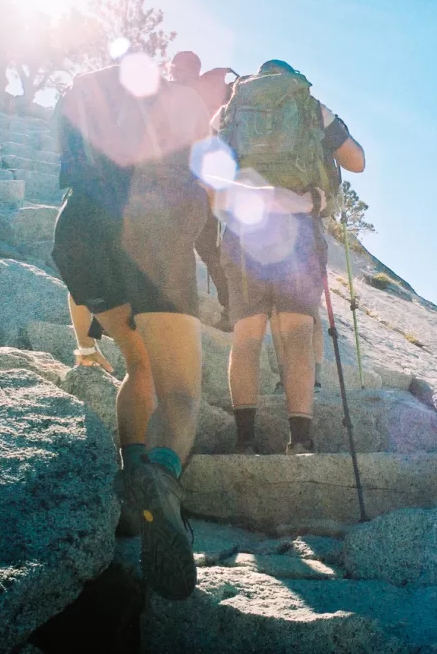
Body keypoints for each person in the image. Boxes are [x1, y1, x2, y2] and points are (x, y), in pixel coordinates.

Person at [52, 61, 210, 600]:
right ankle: (161, 478)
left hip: (76, 228)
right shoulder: (181, 103)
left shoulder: (84, 94)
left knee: (138, 362)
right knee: (182, 390)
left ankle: (131, 495)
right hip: (155, 221)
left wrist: (83, 340)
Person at [212, 59, 365, 454]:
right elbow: (357, 161)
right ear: (290, 79)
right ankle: (299, 440)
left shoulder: (229, 111)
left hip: (244, 229)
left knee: (246, 336)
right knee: (296, 333)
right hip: (297, 224)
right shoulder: (312, 107)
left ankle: (245, 439)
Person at [170, 51, 236, 330]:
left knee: (176, 245)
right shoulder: (211, 93)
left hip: (173, 183)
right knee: (209, 248)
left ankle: (172, 307)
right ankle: (231, 310)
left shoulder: (170, 94)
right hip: (203, 183)